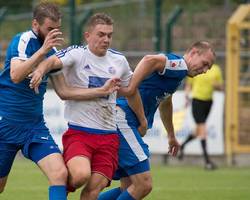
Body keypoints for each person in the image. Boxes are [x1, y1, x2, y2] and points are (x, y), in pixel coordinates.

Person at [0, 3, 121, 199]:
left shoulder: (53, 50)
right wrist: (42, 52)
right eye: (49, 29)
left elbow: (64, 91)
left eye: (56, 29)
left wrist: (100, 91)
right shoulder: (23, 40)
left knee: (60, 174)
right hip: (6, 124)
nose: (53, 34)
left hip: (34, 127)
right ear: (35, 24)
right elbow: (15, 75)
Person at [29, 13, 147, 200]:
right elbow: (52, 61)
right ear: (87, 36)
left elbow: (131, 91)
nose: (106, 39)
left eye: (109, 35)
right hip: (80, 133)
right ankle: (62, 183)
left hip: (108, 136)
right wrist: (40, 70)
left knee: (93, 189)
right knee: (80, 175)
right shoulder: (77, 54)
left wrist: (142, 119)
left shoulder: (119, 61)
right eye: (101, 34)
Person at [98, 41, 216, 200]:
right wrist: (132, 88)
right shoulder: (179, 65)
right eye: (204, 64)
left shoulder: (176, 76)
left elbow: (165, 104)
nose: (205, 70)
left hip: (123, 119)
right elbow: (149, 60)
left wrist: (171, 136)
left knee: (129, 187)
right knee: (144, 184)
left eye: (208, 68)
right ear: (194, 52)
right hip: (124, 118)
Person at [178, 63, 223, 170]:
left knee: (198, 130)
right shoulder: (197, 68)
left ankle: (182, 146)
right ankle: (207, 162)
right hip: (197, 101)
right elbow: (189, 84)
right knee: (202, 129)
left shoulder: (216, 69)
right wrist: (186, 95)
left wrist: (216, 85)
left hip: (208, 102)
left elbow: (220, 87)